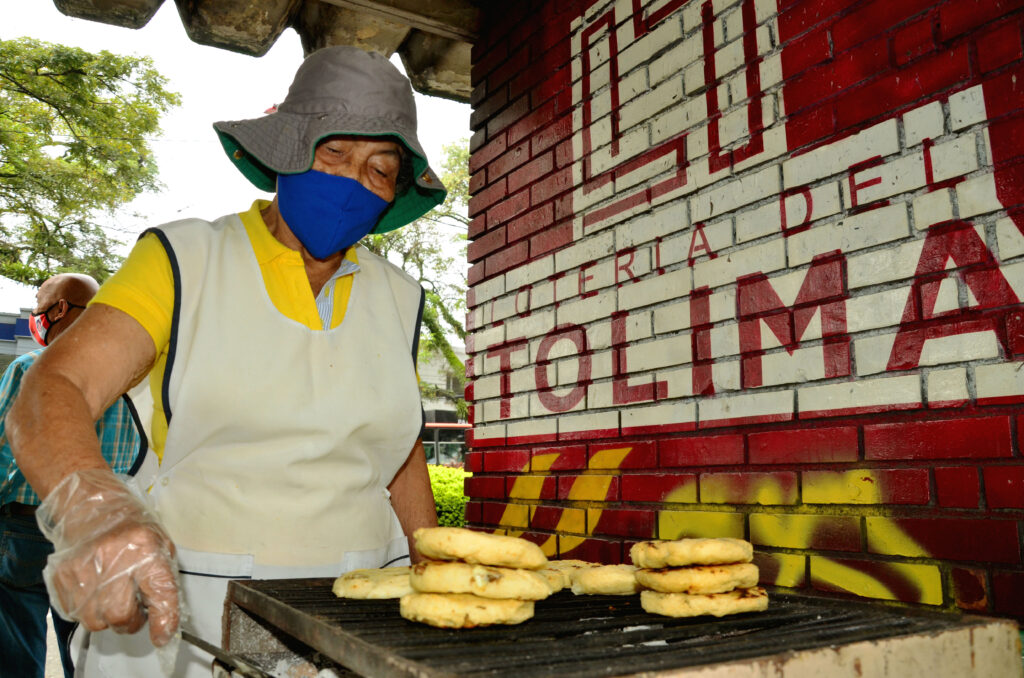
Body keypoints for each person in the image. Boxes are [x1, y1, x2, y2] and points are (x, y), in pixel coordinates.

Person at [7, 46, 445, 677]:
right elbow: (54, 386)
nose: (353, 181)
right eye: (334, 154)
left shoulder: (400, 298)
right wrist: (94, 514)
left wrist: (429, 562)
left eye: (379, 169)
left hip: (361, 615)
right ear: (288, 154)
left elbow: (398, 449)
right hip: (187, 612)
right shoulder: (184, 260)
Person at [0, 273, 144, 678]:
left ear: (59, 309)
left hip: (26, 526)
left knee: (16, 638)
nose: (35, 314)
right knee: (83, 647)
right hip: (96, 530)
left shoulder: (33, 367)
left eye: (39, 304)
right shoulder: (129, 379)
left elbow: (3, 449)